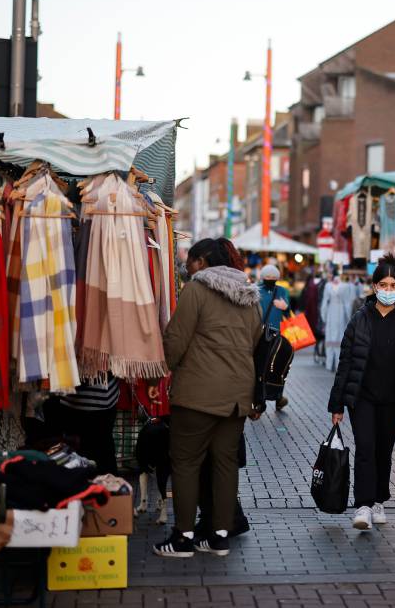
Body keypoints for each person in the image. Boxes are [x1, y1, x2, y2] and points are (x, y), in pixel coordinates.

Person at [153, 238, 262, 559]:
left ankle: (183, 537)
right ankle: (218, 537)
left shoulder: (196, 291)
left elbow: (176, 339)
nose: (187, 266)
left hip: (198, 394)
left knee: (186, 463)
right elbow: (255, 341)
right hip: (237, 397)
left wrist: (163, 370)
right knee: (226, 464)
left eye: (190, 260)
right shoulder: (249, 296)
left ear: (202, 262)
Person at [328, 253, 395, 531]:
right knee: (366, 449)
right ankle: (363, 506)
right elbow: (346, 363)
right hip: (363, 398)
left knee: (384, 450)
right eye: (384, 284)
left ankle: (380, 499)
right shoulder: (359, 319)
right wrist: (337, 405)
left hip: (392, 400)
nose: (389, 290)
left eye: (394, 285)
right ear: (374, 286)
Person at [258, 264, 291, 410]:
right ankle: (261, 397)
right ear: (262, 278)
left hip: (277, 334)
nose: (270, 279)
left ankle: (278, 396)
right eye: (267, 277)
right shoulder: (256, 290)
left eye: (273, 278)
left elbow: (288, 312)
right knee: (261, 365)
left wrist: (285, 307)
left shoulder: (282, 290)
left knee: (279, 365)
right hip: (259, 333)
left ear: (277, 278)